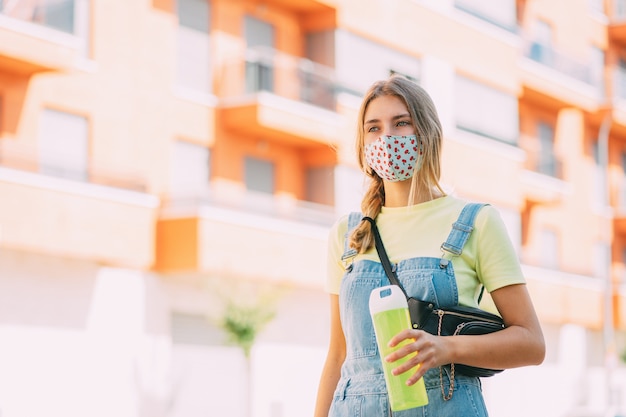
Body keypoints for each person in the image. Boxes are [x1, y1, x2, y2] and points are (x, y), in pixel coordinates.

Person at [313, 75, 545, 416]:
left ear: (427, 134)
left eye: (401, 123)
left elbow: (531, 343)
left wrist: (446, 348)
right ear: (363, 143)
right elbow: (338, 354)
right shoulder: (346, 235)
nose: (387, 138)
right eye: (373, 128)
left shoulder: (476, 222)